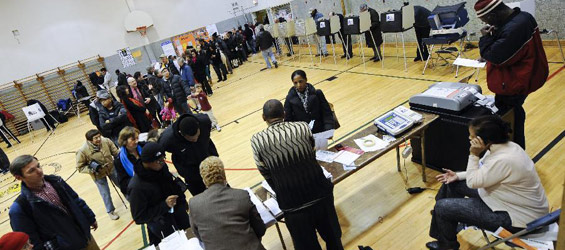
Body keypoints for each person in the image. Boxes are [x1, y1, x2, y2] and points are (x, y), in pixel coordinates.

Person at [426, 115, 549, 250]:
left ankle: (447, 245)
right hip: (507, 202)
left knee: (443, 207)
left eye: (472, 136)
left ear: (485, 140)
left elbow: (473, 182)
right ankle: (443, 224)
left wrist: (473, 154)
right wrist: (457, 175)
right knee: (450, 183)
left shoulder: (504, 159)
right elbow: (484, 171)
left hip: (518, 219)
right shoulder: (507, 147)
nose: (469, 138)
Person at [251, 99, 342, 250]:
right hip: (321, 195)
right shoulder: (302, 127)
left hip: (293, 206)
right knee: (334, 240)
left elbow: (265, 173)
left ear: (263, 117)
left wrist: (283, 189)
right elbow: (312, 154)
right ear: (284, 114)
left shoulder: (257, 141)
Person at [476, 0, 549, 149]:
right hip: (527, 75)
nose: (486, 24)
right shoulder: (524, 17)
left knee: (511, 117)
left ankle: (515, 151)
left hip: (515, 82)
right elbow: (510, 47)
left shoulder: (513, 28)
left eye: (485, 20)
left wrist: (486, 38)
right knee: (512, 112)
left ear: (494, 15)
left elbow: (495, 56)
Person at [9, 155, 99, 249]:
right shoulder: (20, 208)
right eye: (31, 171)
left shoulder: (56, 181)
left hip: (85, 237)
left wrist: (90, 217)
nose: (39, 171)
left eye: (38, 166)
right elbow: (31, 242)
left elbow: (75, 200)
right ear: (19, 177)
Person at [189, 156, 266, 250]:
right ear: (224, 176)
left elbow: (200, 236)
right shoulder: (241, 195)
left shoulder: (194, 204)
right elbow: (260, 229)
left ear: (204, 180)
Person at [128, 142, 190, 245]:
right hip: (162, 226)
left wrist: (182, 202)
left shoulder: (161, 167)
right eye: (159, 161)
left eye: (163, 159)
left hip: (179, 214)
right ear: (147, 162)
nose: (163, 162)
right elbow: (139, 217)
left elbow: (172, 185)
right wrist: (164, 205)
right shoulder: (136, 187)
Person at [159, 113, 218, 196]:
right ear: (182, 134)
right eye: (192, 139)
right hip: (191, 173)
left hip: (209, 163)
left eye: (197, 136)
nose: (196, 140)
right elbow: (158, 150)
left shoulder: (204, 121)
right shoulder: (167, 140)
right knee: (200, 200)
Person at [76, 129, 120, 220]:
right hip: (98, 175)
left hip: (111, 168)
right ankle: (110, 211)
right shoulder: (82, 151)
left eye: (99, 136)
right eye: (96, 138)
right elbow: (80, 167)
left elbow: (116, 153)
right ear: (89, 140)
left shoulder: (106, 141)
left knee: (122, 184)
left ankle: (132, 200)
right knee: (105, 194)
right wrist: (92, 169)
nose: (99, 139)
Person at [113, 126, 141, 197]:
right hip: (140, 190)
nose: (137, 141)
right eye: (133, 139)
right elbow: (123, 185)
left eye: (137, 138)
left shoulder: (144, 146)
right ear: (125, 141)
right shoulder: (118, 161)